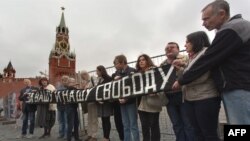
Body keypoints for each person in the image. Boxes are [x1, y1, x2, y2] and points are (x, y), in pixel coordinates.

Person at [173, 0, 250, 125]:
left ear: (221, 14)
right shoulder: (234, 28)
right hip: (237, 86)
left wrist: (181, 80)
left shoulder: (232, 29)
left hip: (239, 87)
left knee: (240, 126)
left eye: (206, 19)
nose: (203, 23)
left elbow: (207, 60)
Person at [173, 31, 221, 141]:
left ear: (196, 41)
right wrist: (180, 69)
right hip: (191, 99)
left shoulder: (205, 53)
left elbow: (200, 75)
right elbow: (189, 73)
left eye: (187, 42)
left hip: (205, 98)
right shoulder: (192, 58)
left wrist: (181, 81)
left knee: (209, 134)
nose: (185, 45)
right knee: (198, 133)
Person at [160, 42, 195, 141]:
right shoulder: (162, 65)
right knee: (176, 124)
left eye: (172, 47)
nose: (169, 49)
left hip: (184, 95)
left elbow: (192, 73)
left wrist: (181, 67)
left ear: (178, 49)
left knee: (188, 124)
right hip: (169, 98)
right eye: (167, 48)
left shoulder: (186, 59)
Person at [113, 54, 140, 141]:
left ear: (122, 62)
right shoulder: (117, 73)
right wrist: (114, 81)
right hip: (121, 102)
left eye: (116, 63)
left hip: (130, 102)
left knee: (133, 125)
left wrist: (127, 98)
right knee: (125, 125)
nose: (115, 66)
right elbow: (115, 88)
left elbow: (135, 87)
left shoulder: (132, 71)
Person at [136, 54, 162, 141]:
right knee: (144, 126)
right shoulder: (138, 74)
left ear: (148, 60)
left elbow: (161, 82)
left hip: (153, 102)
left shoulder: (155, 70)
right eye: (139, 60)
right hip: (141, 104)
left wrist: (156, 91)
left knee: (154, 125)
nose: (141, 62)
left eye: (143, 60)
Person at [96, 65, 113, 141]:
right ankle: (105, 136)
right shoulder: (99, 80)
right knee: (103, 120)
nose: (96, 72)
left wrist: (104, 100)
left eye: (97, 71)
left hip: (106, 102)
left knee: (106, 120)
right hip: (100, 102)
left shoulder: (108, 78)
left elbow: (110, 91)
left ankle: (107, 137)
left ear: (101, 71)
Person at [80, 70, 98, 141]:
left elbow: (96, 87)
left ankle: (94, 135)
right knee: (89, 119)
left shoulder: (93, 78)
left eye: (83, 76)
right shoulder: (86, 82)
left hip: (93, 101)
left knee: (94, 119)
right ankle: (89, 134)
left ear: (85, 74)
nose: (83, 78)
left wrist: (87, 88)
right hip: (88, 102)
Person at [111, 61, 124, 141]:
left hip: (125, 100)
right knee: (118, 122)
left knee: (125, 122)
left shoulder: (125, 73)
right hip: (116, 102)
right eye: (115, 64)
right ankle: (121, 138)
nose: (115, 65)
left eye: (117, 63)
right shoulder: (113, 75)